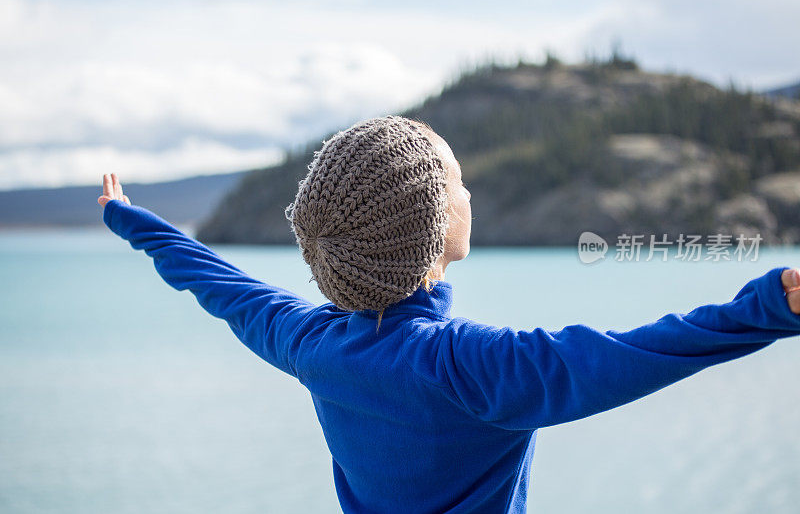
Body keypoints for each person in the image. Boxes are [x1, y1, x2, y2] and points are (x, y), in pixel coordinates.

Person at [98, 115, 800, 514]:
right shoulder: (470, 367)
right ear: (430, 228)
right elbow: (636, 352)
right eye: (457, 182)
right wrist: (769, 306)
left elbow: (218, 284)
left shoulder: (310, 342)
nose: (470, 192)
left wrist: (129, 219)